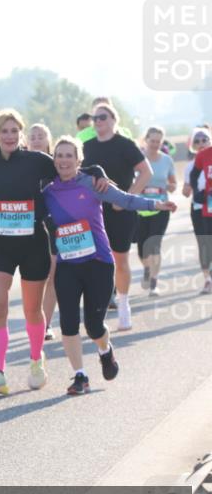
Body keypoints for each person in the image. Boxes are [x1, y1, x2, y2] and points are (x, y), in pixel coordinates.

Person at [0, 109, 107, 394]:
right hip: (1, 244)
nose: (10, 136)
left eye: (15, 131)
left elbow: (69, 170)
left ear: (22, 135)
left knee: (31, 310)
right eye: (4, 131)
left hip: (33, 245)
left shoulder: (37, 161)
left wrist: (97, 171)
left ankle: (36, 361)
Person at [43, 136, 176, 395]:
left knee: (93, 325)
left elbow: (125, 199)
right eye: (59, 155)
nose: (64, 160)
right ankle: (79, 376)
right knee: (68, 323)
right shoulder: (47, 191)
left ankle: (105, 350)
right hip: (68, 264)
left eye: (69, 155)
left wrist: (157, 204)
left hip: (99, 264)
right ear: (54, 159)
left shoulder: (92, 183)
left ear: (79, 160)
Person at [82, 103, 152, 331]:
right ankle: (99, 310)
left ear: (114, 119)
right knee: (96, 262)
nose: (99, 121)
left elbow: (146, 172)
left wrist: (127, 198)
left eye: (103, 117)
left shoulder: (124, 144)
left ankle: (123, 306)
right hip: (93, 213)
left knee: (120, 260)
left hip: (120, 212)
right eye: (95, 118)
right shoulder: (87, 146)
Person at [136, 127, 178, 297]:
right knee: (141, 248)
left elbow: (174, 184)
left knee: (154, 245)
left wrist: (168, 186)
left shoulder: (167, 160)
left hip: (161, 208)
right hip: (140, 208)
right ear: (146, 140)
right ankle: (147, 267)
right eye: (152, 141)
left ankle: (154, 283)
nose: (155, 144)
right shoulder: (138, 158)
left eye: (158, 142)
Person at [28, 123, 59, 339]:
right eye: (33, 136)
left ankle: (45, 324)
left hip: (54, 225)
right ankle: (35, 321)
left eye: (41, 136)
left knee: (52, 275)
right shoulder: (18, 165)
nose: (37, 139)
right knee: (34, 278)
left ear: (49, 139)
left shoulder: (56, 164)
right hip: (25, 227)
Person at [188, 129, 212, 294]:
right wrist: (197, 192)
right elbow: (193, 175)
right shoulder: (202, 156)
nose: (202, 142)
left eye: (205, 139)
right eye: (198, 140)